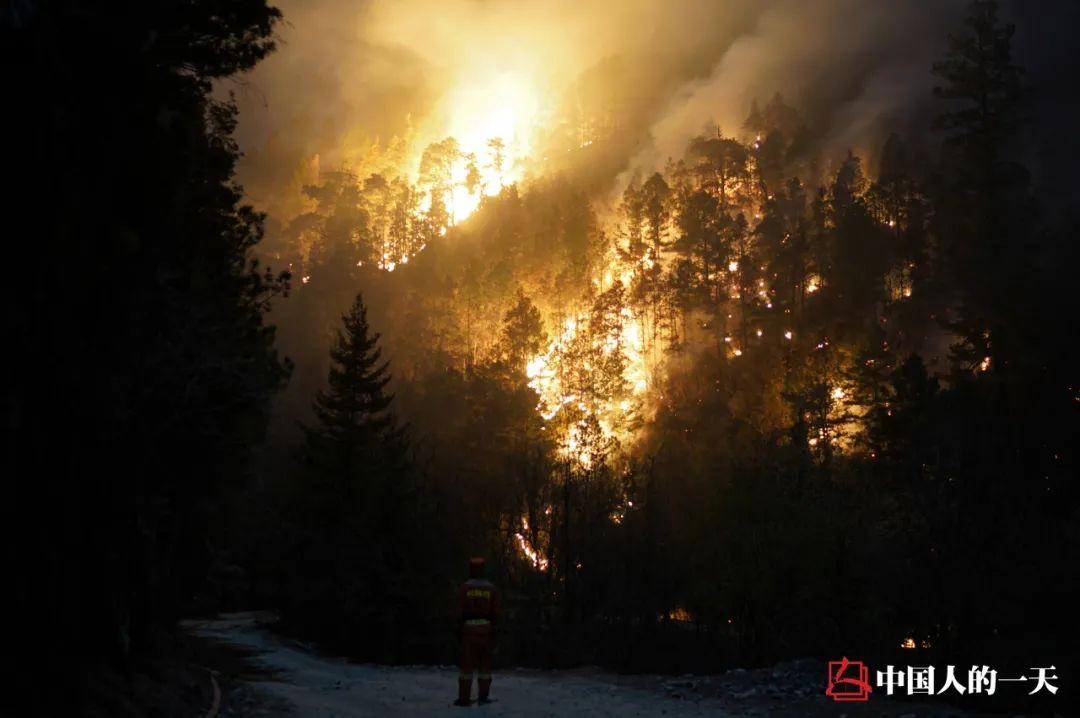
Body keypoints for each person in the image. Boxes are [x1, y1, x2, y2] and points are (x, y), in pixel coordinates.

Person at [455, 557, 499, 706]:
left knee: (466, 668)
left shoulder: (464, 588)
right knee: (485, 667)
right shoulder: (491, 588)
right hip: (486, 631)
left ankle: (464, 698)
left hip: (468, 631)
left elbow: (459, 611)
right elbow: (495, 612)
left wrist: (457, 630)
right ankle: (483, 697)